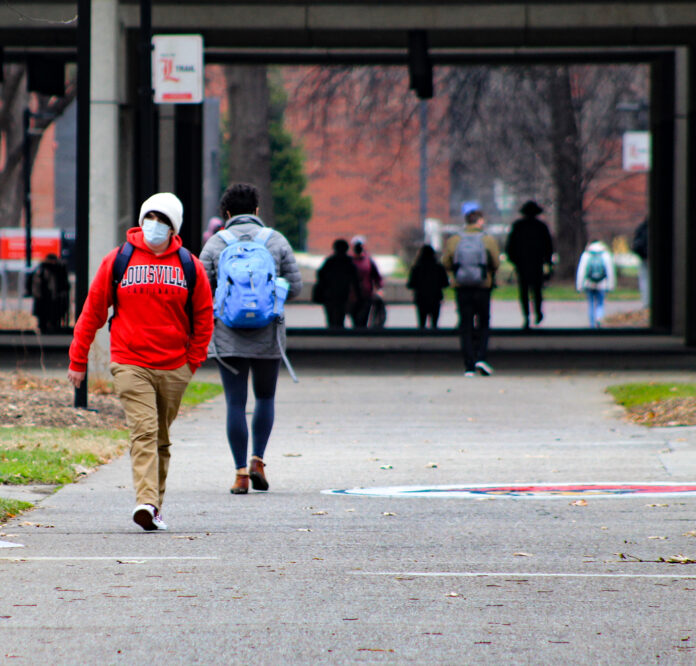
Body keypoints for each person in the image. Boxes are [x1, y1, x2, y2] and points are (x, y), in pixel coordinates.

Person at [67, 193, 214, 531]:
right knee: (144, 431)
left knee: (160, 437)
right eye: (150, 216)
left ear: (174, 226)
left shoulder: (190, 265)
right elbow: (92, 312)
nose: (155, 225)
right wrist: (78, 359)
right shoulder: (118, 260)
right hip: (130, 361)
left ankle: (154, 506)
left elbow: (204, 317)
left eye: (163, 220)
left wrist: (193, 361)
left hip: (175, 365)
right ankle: (145, 502)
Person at [199, 183, 303, 495]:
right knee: (265, 398)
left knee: (235, 402)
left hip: (228, 335)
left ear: (226, 214)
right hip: (268, 333)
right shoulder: (276, 240)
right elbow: (295, 288)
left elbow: (200, 289)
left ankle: (241, 474)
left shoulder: (216, 243)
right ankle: (258, 459)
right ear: (257, 211)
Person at [443, 209, 500, 376]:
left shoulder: (455, 240)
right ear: (480, 221)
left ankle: (469, 365)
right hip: (483, 286)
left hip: (462, 287)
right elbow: (496, 262)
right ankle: (481, 357)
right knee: (483, 323)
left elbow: (446, 261)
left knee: (465, 325)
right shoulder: (487, 239)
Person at [505, 200, 554, 329]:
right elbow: (548, 247)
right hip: (537, 264)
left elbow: (510, 247)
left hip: (522, 265)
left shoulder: (517, 226)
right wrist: (548, 262)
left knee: (524, 291)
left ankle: (526, 316)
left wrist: (515, 261)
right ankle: (538, 313)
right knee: (537, 290)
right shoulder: (541, 226)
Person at [315, 238, 360, 328]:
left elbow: (320, 275)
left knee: (331, 317)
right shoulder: (349, 262)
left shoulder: (329, 261)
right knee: (340, 316)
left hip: (329, 294)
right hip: (343, 294)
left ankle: (332, 329)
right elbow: (355, 279)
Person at [406, 244, 450, 329]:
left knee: (422, 323)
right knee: (435, 324)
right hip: (436, 297)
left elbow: (410, 284)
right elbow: (445, 283)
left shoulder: (416, 267)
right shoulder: (439, 267)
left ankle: (422, 338)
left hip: (421, 298)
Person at [576, 239, 616, 329]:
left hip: (589, 284)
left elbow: (581, 271)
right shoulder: (606, 254)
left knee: (591, 304)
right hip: (602, 284)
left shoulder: (586, 254)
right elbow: (610, 271)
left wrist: (579, 286)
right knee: (600, 304)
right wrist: (611, 285)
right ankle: (599, 319)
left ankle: (592, 325)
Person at [31, 253, 70, 333]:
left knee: (46, 320)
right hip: (51, 300)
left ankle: (46, 329)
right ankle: (50, 328)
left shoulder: (41, 269)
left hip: (47, 300)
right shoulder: (58, 270)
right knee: (52, 319)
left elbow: (36, 287)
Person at [350, 235, 383, 328]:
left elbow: (376, 276)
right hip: (353, 296)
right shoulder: (350, 260)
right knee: (356, 318)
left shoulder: (368, 260)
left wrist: (379, 288)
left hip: (366, 295)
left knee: (363, 318)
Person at [632, 218, 649, 308]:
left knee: (645, 280)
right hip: (647, 257)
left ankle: (646, 302)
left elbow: (635, 244)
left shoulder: (642, 228)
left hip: (644, 258)